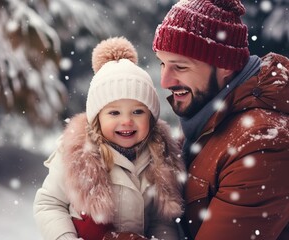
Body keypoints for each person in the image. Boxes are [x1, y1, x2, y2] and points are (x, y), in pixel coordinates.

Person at [152, 0, 289, 239]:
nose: (165, 81)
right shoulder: (206, 121)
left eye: (180, 67)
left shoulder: (262, 141)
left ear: (224, 65)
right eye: (162, 63)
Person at [33, 37, 186, 240]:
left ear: (151, 117)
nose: (127, 121)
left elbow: (162, 221)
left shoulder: (158, 159)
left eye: (138, 112)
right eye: (114, 113)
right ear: (97, 118)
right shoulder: (77, 156)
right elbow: (50, 204)